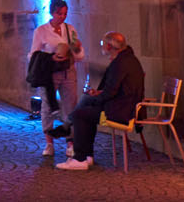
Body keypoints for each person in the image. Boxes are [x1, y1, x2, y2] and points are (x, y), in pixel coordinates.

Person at [54, 32, 145, 171]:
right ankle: (86, 155)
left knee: (81, 114)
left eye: (103, 44)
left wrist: (97, 97)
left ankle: (80, 158)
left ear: (108, 46)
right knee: (86, 106)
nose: (102, 47)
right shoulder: (128, 59)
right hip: (125, 105)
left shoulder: (120, 63)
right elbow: (119, 89)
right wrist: (98, 94)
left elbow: (111, 92)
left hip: (122, 111)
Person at [28, 0, 85, 159]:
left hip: (68, 72)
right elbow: (33, 54)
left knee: (70, 107)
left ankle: (70, 142)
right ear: (53, 12)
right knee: (47, 107)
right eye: (60, 13)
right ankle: (49, 143)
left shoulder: (70, 29)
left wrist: (77, 48)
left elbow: (80, 56)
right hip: (50, 74)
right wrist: (50, 57)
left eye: (65, 14)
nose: (62, 17)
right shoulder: (41, 31)